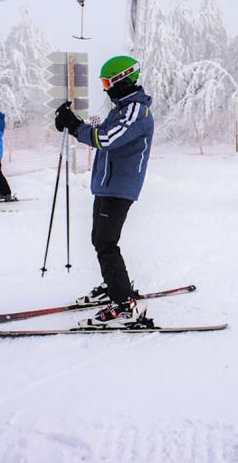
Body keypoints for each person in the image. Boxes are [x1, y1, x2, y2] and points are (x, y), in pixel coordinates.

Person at [54, 55, 154, 328]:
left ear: (123, 80)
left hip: (121, 186)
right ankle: (114, 283)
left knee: (106, 242)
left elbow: (107, 139)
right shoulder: (121, 109)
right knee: (99, 239)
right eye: (103, 82)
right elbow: (103, 133)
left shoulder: (136, 110)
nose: (106, 88)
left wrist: (75, 127)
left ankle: (123, 304)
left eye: (108, 82)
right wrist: (74, 122)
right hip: (108, 184)